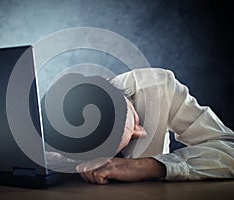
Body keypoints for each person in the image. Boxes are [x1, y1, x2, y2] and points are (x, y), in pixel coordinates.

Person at [74, 68, 234, 184]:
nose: (141, 132)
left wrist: (151, 165)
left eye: (136, 119)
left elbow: (230, 149)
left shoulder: (158, 87)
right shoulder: (53, 139)